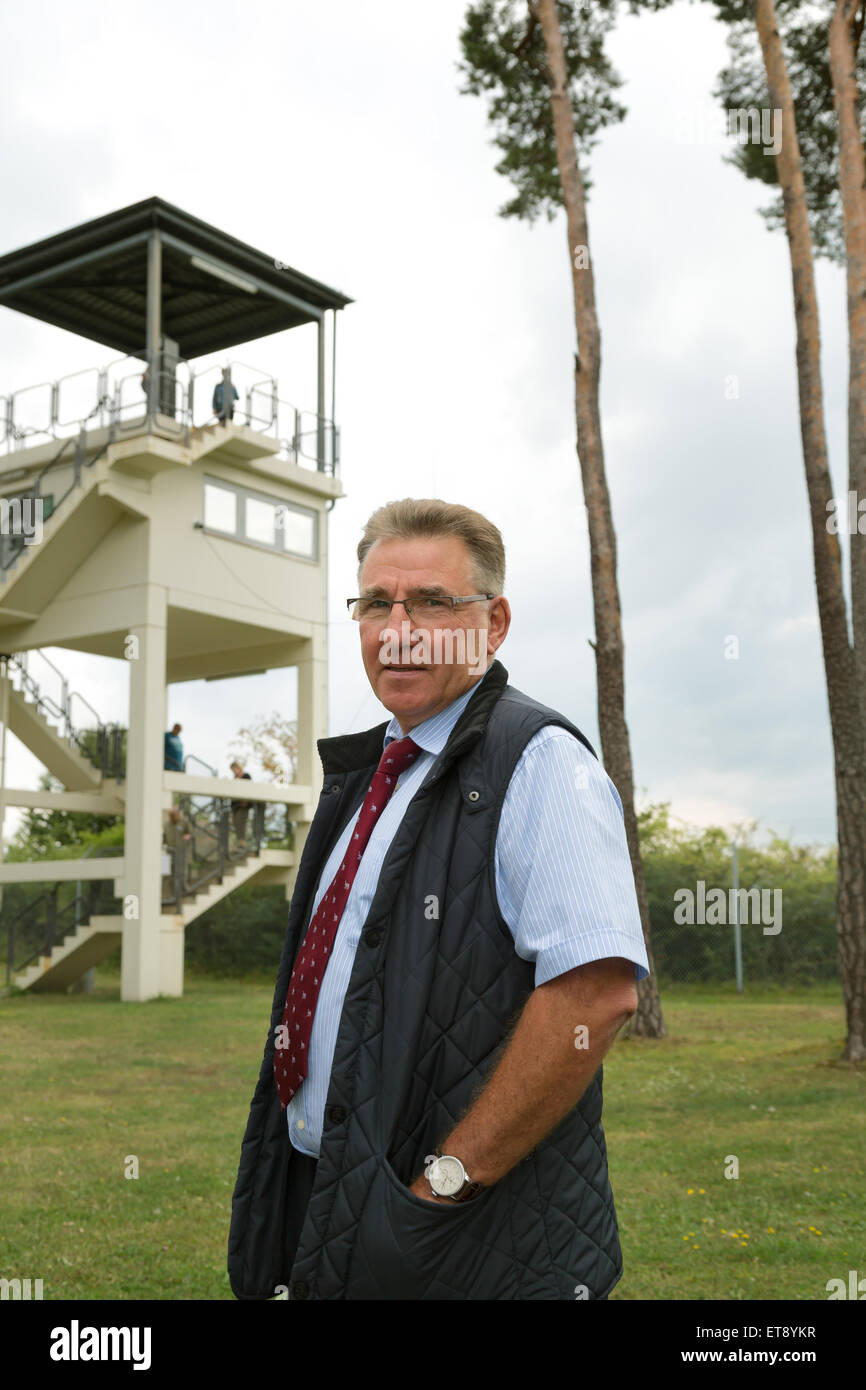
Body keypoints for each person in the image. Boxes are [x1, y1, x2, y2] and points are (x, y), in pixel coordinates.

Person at [227, 498, 650, 1302]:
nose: (398, 628)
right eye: (375, 604)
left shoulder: (538, 765)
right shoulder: (369, 776)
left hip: (459, 1229)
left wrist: (446, 1184)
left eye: (431, 602)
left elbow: (596, 992)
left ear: (492, 624)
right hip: (322, 1184)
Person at [161, 805, 192, 905]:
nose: (172, 817)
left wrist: (188, 836)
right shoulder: (166, 824)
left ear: (178, 814)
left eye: (173, 815)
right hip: (169, 852)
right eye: (170, 815)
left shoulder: (184, 822)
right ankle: (167, 895)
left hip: (181, 851)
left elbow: (191, 832)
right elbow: (164, 837)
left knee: (182, 872)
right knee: (167, 873)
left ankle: (184, 891)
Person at [230, 759, 252, 849]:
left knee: (241, 823)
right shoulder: (234, 779)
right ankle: (239, 842)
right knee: (236, 823)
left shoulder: (246, 776)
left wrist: (245, 802)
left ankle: (242, 843)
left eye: (235, 769)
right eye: (232, 770)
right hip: (235, 806)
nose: (234, 771)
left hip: (243, 806)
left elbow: (249, 789)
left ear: (238, 768)